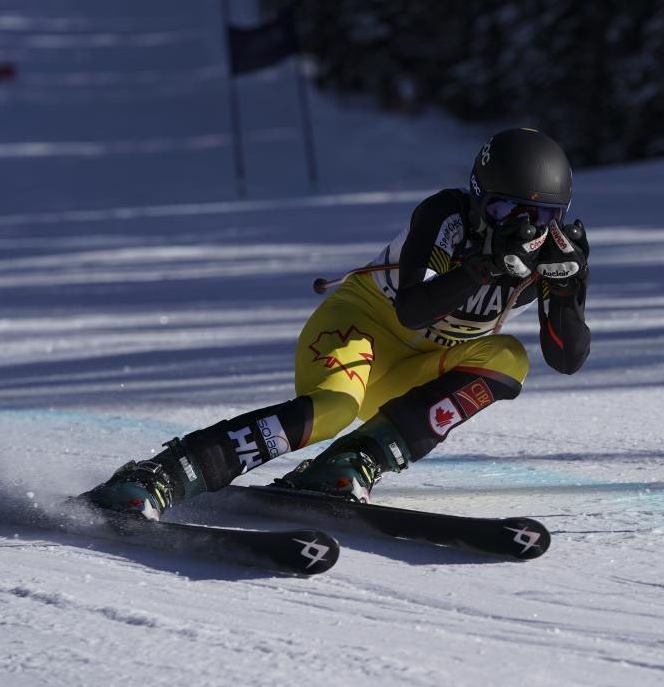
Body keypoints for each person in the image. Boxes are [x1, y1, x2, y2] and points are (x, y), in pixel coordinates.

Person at [85, 128, 592, 518]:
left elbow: (566, 359)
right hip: (360, 329)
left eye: (540, 215)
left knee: (510, 358)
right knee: (331, 410)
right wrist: (482, 267)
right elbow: (412, 308)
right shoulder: (447, 217)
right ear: (479, 197)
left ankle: (352, 461)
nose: (523, 227)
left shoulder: (554, 252)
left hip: (416, 369)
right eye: (505, 209)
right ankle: (167, 473)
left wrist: (566, 292)